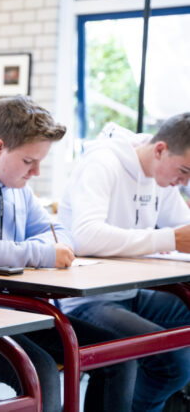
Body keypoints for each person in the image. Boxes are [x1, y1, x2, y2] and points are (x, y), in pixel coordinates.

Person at [0, 96, 136, 412]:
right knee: (41, 370)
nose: (35, 172)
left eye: (40, 162)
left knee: (118, 355)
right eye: (28, 161)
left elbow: (59, 233)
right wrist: (40, 254)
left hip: (13, 312)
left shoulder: (20, 187)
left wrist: (44, 249)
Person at [58, 114, 190, 412]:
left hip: (129, 294)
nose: (184, 183)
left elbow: (184, 229)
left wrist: (173, 238)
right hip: (86, 300)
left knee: (174, 359)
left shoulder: (163, 178)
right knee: (173, 363)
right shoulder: (103, 163)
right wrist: (166, 239)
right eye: (183, 171)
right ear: (160, 150)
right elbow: (85, 236)